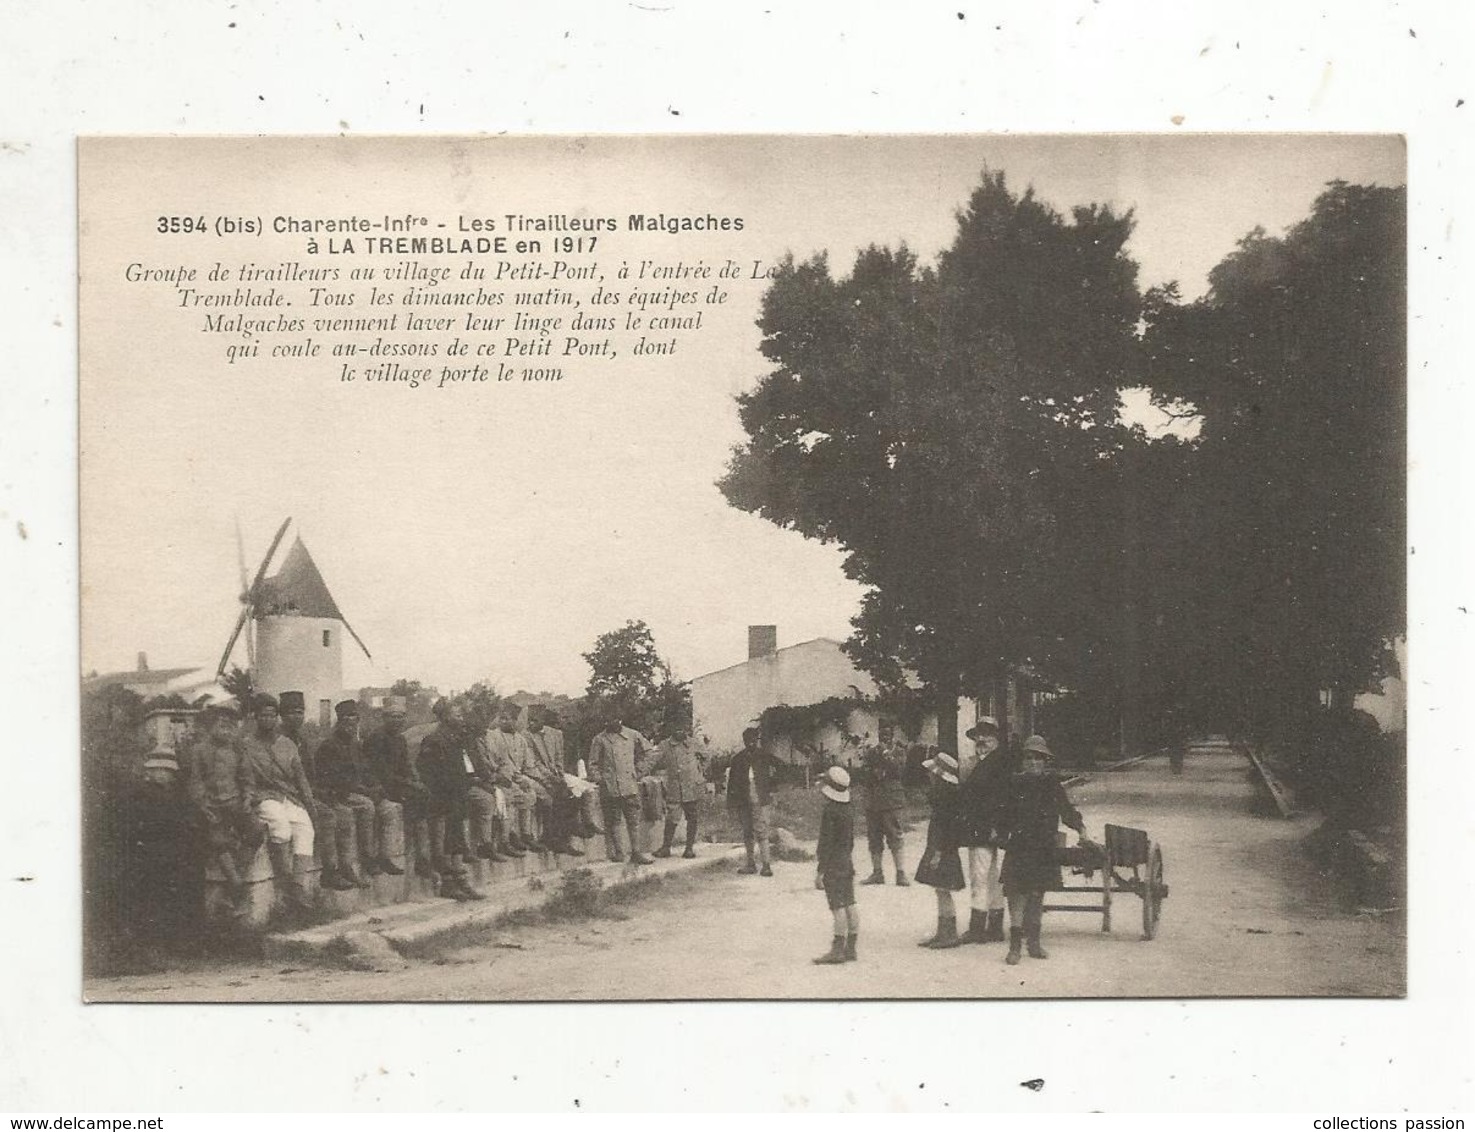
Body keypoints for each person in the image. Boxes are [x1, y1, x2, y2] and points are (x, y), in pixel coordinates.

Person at [997, 734, 1093, 965]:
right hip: (1019, 846)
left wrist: (1080, 828)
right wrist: (999, 832)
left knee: (1037, 894)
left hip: (1043, 847)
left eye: (1038, 759)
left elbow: (1067, 811)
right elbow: (1002, 813)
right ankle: (1015, 946)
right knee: (1016, 894)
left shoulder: (1052, 785)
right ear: (1022, 762)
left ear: (1045, 762)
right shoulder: (1014, 783)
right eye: (1028, 758)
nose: (1033, 763)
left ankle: (1034, 942)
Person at [240, 693, 317, 917]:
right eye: (263, 716)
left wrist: (309, 805)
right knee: (281, 827)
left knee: (305, 828)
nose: (268, 720)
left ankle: (299, 887)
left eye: (272, 716)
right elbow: (245, 776)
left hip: (287, 796)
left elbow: (300, 778)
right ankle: (286, 885)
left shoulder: (287, 744)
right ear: (255, 717)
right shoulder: (246, 745)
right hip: (263, 797)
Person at [184, 703, 261, 918]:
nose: (226, 728)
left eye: (230, 724)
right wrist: (203, 805)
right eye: (221, 723)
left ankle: (234, 885)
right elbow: (195, 782)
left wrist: (247, 799)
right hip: (211, 806)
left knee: (256, 832)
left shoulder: (237, 750)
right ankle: (238, 889)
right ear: (212, 725)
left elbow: (247, 779)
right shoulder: (199, 750)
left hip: (235, 803)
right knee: (218, 841)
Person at [316, 700, 405, 882]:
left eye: (354, 721)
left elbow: (366, 770)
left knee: (390, 808)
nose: (350, 726)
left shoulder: (356, 746)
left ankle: (384, 856)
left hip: (359, 791)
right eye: (346, 721)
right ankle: (366, 857)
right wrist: (365, 790)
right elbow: (336, 779)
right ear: (338, 723)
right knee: (367, 806)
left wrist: (375, 787)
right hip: (340, 793)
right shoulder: (329, 746)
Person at [279, 690, 354, 892]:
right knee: (327, 815)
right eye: (292, 712)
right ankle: (329, 872)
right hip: (288, 795)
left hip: (307, 791)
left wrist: (322, 792)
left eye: (300, 712)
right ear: (282, 715)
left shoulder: (301, 739)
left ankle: (345, 867)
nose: (297, 717)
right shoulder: (279, 740)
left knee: (345, 813)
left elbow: (310, 774)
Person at [414, 699, 486, 901]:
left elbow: (463, 767)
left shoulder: (458, 739)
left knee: (457, 841)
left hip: (457, 796)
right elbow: (426, 771)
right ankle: (448, 883)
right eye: (458, 715)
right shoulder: (433, 740)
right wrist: (444, 790)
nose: (462, 719)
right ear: (445, 717)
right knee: (443, 843)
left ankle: (461, 879)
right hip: (441, 799)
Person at [954, 716, 1014, 943]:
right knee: (991, 876)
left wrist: (995, 825)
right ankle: (995, 927)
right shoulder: (983, 762)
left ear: (997, 738)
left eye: (987, 735)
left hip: (985, 827)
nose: (981, 739)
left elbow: (1001, 799)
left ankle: (978, 927)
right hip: (987, 826)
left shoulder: (996, 764)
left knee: (980, 876)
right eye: (978, 735)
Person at [364, 695, 437, 877]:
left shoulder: (400, 739)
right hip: (380, 786)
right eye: (392, 716)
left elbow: (406, 765)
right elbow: (383, 772)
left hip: (397, 784)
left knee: (426, 797)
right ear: (384, 718)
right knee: (415, 799)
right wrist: (410, 784)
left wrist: (416, 779)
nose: (397, 721)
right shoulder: (377, 738)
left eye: (400, 716)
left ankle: (424, 857)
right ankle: (419, 858)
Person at [913, 748, 967, 948]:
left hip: (943, 851)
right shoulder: (943, 798)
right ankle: (942, 931)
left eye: (933, 773)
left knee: (944, 891)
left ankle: (949, 933)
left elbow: (947, 831)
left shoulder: (948, 802)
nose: (929, 775)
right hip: (940, 849)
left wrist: (937, 852)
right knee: (940, 890)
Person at [587, 714, 654, 864]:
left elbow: (650, 752)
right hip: (610, 787)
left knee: (633, 820)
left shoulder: (633, 735)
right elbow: (592, 763)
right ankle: (619, 852)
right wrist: (601, 779)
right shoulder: (599, 739)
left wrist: (640, 770)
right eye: (607, 720)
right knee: (614, 820)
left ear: (620, 720)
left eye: (614, 720)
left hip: (629, 785)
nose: (610, 723)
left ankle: (636, 852)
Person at [812, 766, 859, 964]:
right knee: (849, 902)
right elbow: (849, 840)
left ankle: (837, 949)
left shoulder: (830, 811)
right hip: (846, 860)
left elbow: (826, 843)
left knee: (837, 906)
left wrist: (820, 870)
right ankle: (851, 947)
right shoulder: (848, 809)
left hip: (833, 863)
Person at [483, 706, 543, 852]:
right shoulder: (492, 736)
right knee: (510, 796)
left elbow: (527, 764)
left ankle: (526, 834)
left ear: (515, 721)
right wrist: (511, 777)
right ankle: (508, 837)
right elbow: (495, 762)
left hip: (517, 777)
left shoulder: (520, 739)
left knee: (529, 794)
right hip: (501, 778)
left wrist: (525, 779)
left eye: (507, 719)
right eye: (501, 719)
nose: (503, 722)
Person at [525, 707, 583, 855]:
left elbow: (559, 759)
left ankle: (565, 835)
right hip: (536, 775)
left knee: (575, 792)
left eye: (534, 720)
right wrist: (551, 779)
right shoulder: (526, 736)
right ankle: (555, 838)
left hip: (555, 774)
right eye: (529, 720)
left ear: (542, 720)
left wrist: (560, 776)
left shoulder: (555, 734)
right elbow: (535, 763)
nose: (530, 724)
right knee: (555, 797)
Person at [646, 723, 707, 858]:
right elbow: (651, 761)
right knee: (672, 818)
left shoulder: (694, 742)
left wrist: (700, 773)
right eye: (677, 728)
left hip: (692, 787)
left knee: (692, 817)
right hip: (675, 788)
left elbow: (706, 756)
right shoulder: (664, 745)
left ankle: (689, 848)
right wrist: (638, 773)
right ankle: (666, 847)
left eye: (683, 728)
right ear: (671, 730)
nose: (681, 731)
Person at [859, 724, 910, 886]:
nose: (884, 737)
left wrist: (886, 755)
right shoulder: (873, 751)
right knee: (874, 837)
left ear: (893, 735)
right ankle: (877, 873)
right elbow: (864, 771)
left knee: (895, 835)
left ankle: (900, 873)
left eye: (888, 734)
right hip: (874, 800)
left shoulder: (899, 751)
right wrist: (874, 772)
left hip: (891, 801)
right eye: (882, 734)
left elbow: (900, 771)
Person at [725, 726, 776, 876]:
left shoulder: (764, 756)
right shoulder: (738, 759)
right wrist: (731, 803)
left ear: (757, 740)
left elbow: (779, 770)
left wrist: (772, 789)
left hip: (759, 798)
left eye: (754, 740)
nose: (751, 743)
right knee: (747, 831)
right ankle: (751, 863)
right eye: (748, 741)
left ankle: (766, 865)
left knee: (761, 830)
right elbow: (732, 783)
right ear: (744, 741)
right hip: (743, 799)